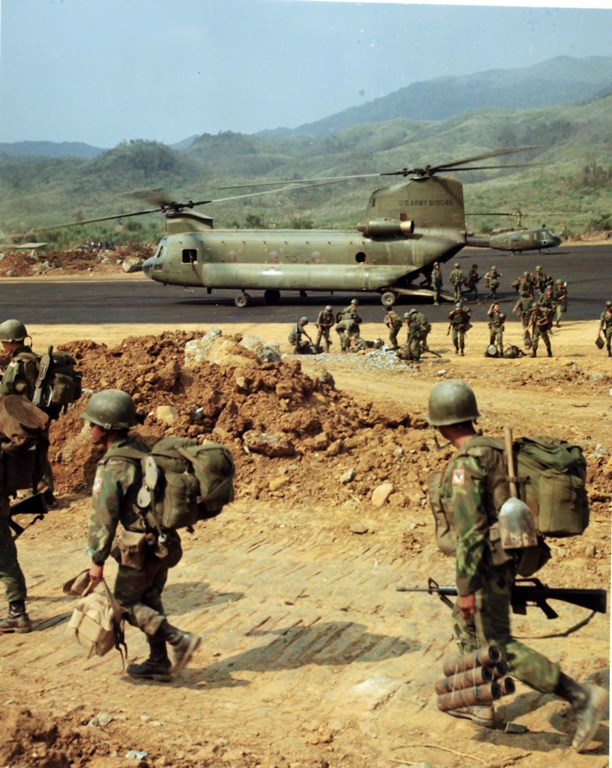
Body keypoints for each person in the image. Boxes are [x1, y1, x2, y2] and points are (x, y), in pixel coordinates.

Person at [425, 380, 607, 750]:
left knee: (498, 645)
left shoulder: (465, 465)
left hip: (486, 564)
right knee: (466, 626)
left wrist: (466, 589)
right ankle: (480, 702)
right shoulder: (495, 450)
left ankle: (580, 696)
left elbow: (471, 533)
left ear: (441, 425)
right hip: (504, 556)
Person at [82, 389, 201, 681]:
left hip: (138, 547)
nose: (89, 427)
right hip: (162, 542)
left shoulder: (113, 466)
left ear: (106, 428)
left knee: (123, 604)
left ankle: (179, 639)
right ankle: (159, 661)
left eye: (93, 423)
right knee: (149, 600)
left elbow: (103, 517)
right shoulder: (141, 449)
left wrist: (97, 559)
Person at [0, 319, 55, 504]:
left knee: (21, 452)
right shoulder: (34, 358)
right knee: (40, 452)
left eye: (3, 342)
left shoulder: (17, 363)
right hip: (39, 413)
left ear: (10, 342)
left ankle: (32, 491)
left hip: (23, 416)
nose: (3, 346)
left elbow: (5, 391)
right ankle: (46, 493)